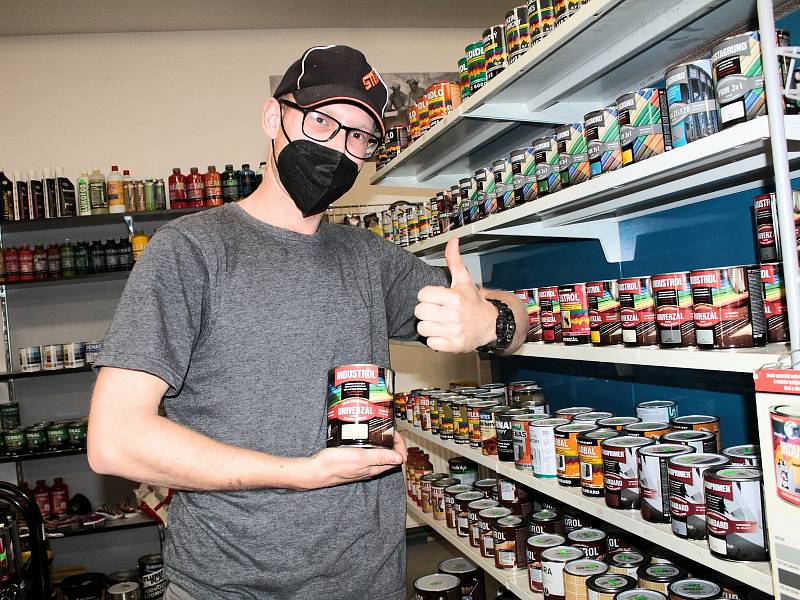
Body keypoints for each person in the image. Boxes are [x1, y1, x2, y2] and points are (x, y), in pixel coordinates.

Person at [88, 45, 527, 600]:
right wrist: (296, 472)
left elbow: (517, 312)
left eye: (359, 137)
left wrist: (492, 323)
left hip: (372, 583)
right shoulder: (189, 252)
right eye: (321, 121)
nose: (338, 149)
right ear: (273, 116)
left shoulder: (370, 259)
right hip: (228, 587)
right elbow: (114, 441)